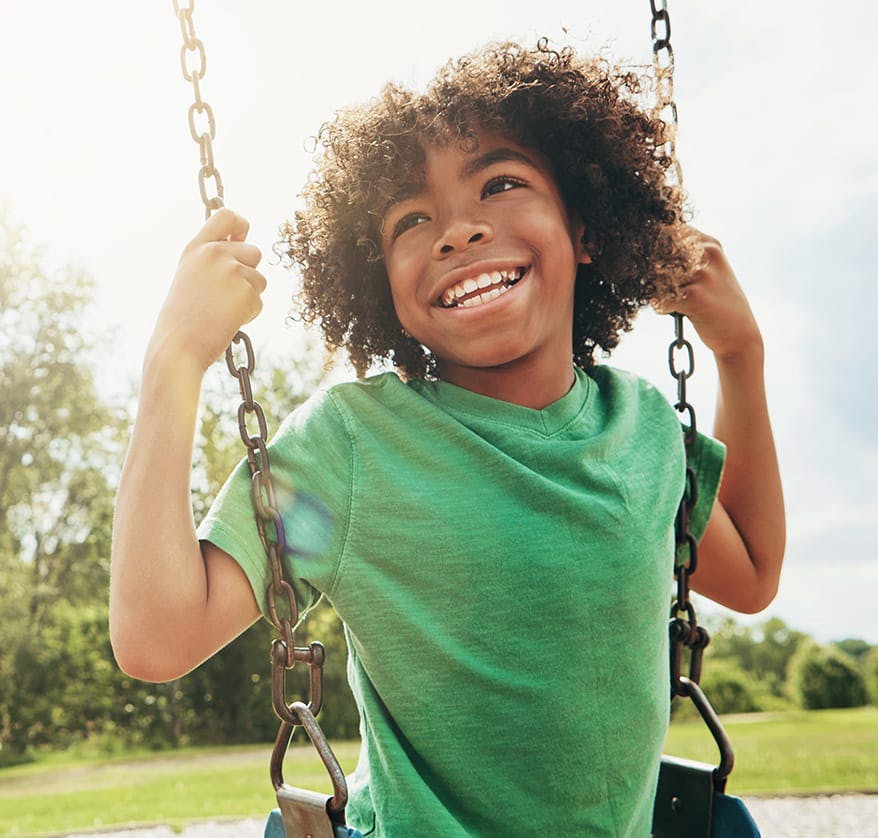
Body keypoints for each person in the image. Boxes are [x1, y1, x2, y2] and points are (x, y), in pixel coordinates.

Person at [110, 40, 785, 836]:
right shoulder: (355, 447)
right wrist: (174, 362)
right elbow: (157, 637)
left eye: (501, 184)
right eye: (410, 219)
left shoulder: (639, 428)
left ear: (585, 228)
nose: (458, 231)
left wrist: (740, 356)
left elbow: (750, 578)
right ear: (381, 286)